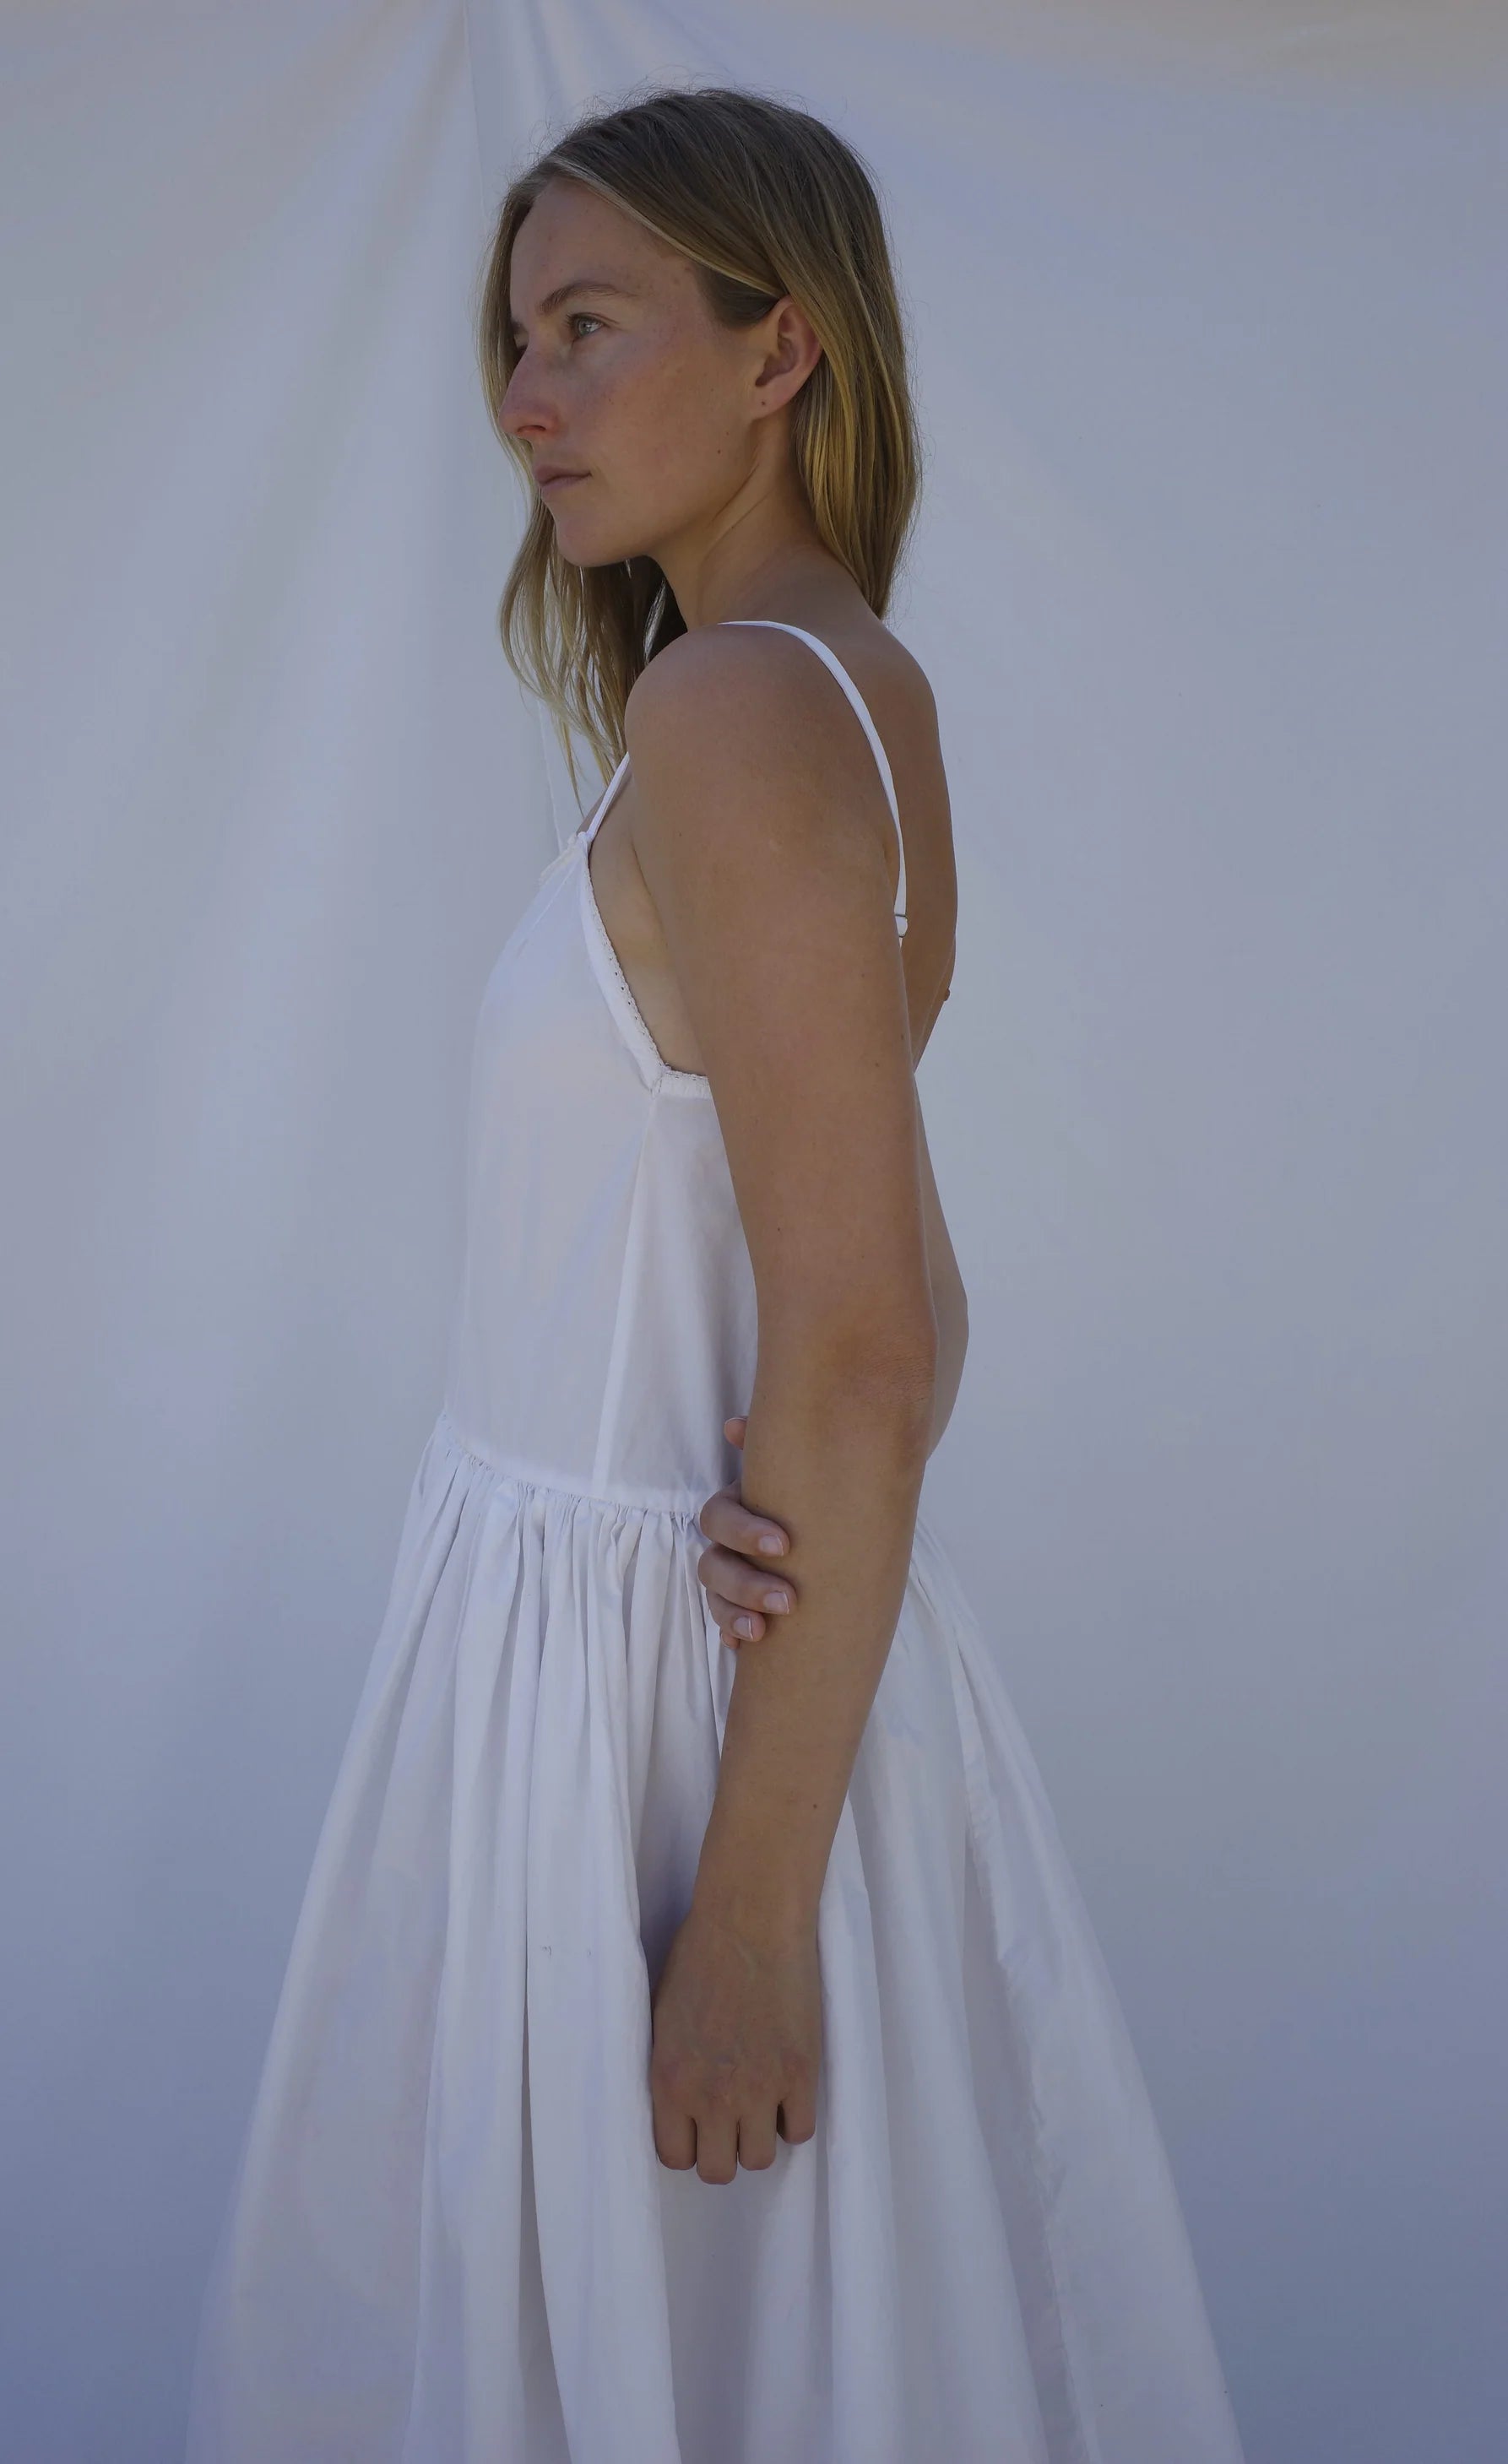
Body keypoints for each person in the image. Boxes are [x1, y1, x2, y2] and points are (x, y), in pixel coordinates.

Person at [186, 84, 1245, 2464]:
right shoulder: (845, 685)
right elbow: (907, 1300)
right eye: (512, 339)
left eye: (588, 326)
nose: (523, 398)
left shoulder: (739, 706)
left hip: (652, 1753)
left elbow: (865, 1342)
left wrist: (744, 1919)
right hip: (661, 1668)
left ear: (782, 351)